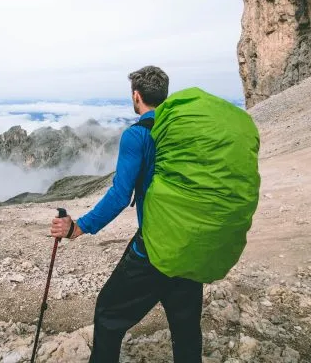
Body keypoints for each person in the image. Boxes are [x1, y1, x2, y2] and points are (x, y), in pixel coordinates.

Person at [50, 65, 203, 363]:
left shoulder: (137, 135)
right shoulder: (187, 132)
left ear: (137, 96)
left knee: (108, 312)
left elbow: (120, 195)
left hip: (155, 246)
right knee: (185, 328)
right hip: (191, 245)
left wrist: (79, 227)